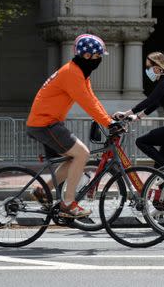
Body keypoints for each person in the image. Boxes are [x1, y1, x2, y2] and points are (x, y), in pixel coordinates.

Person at [26, 34, 118, 218]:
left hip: (48, 122)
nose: (99, 60)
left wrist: (110, 120)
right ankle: (68, 203)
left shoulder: (80, 73)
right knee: (82, 153)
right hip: (44, 123)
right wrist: (108, 123)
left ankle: (42, 191)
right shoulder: (72, 73)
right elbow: (86, 103)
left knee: (72, 158)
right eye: (97, 56)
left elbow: (92, 99)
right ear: (87, 56)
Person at [114, 52, 164, 168]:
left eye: (148, 67)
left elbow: (149, 100)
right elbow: (155, 104)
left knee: (141, 142)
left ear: (158, 68)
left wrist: (126, 113)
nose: (147, 70)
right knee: (159, 168)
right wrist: (137, 117)